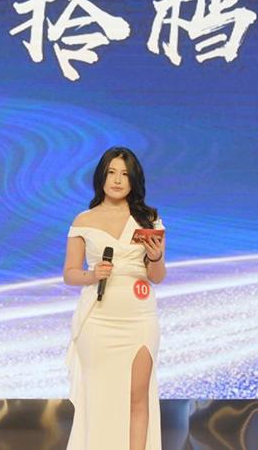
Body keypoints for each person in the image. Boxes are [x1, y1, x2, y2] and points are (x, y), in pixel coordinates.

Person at [63, 147, 167, 450]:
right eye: (111, 172)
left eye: (124, 174)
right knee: (100, 400)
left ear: (134, 180)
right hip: (98, 319)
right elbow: (70, 273)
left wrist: (155, 257)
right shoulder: (84, 220)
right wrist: (93, 274)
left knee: (138, 396)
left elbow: (157, 276)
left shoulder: (149, 219)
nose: (118, 180)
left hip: (139, 318)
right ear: (101, 177)